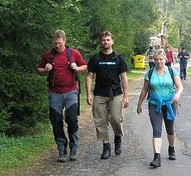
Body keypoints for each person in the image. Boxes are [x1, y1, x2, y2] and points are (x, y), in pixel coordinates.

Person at [37, 30, 87, 162]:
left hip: (71, 91)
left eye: (59, 43)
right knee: (56, 121)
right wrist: (45, 69)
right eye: (55, 43)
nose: (57, 46)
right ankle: (61, 148)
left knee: (71, 119)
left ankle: (74, 146)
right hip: (54, 93)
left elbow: (85, 67)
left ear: (65, 41)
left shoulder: (73, 54)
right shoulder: (48, 55)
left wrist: (76, 68)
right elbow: (39, 69)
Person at [86, 30, 129, 159]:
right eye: (103, 40)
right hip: (99, 93)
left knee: (116, 118)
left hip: (115, 93)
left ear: (112, 41)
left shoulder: (118, 58)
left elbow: (124, 78)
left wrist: (126, 96)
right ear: (101, 42)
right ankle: (106, 146)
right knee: (100, 121)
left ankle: (117, 137)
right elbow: (89, 76)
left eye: (108, 40)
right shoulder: (95, 58)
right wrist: (89, 94)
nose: (106, 42)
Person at [136, 50, 183, 167]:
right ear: (154, 61)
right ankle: (157, 156)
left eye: (161, 59)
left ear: (165, 60)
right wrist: (139, 104)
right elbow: (144, 89)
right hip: (154, 104)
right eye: (156, 59)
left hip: (169, 103)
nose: (159, 61)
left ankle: (171, 148)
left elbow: (180, 86)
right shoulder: (150, 73)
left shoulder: (172, 72)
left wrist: (177, 95)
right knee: (157, 130)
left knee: (170, 129)